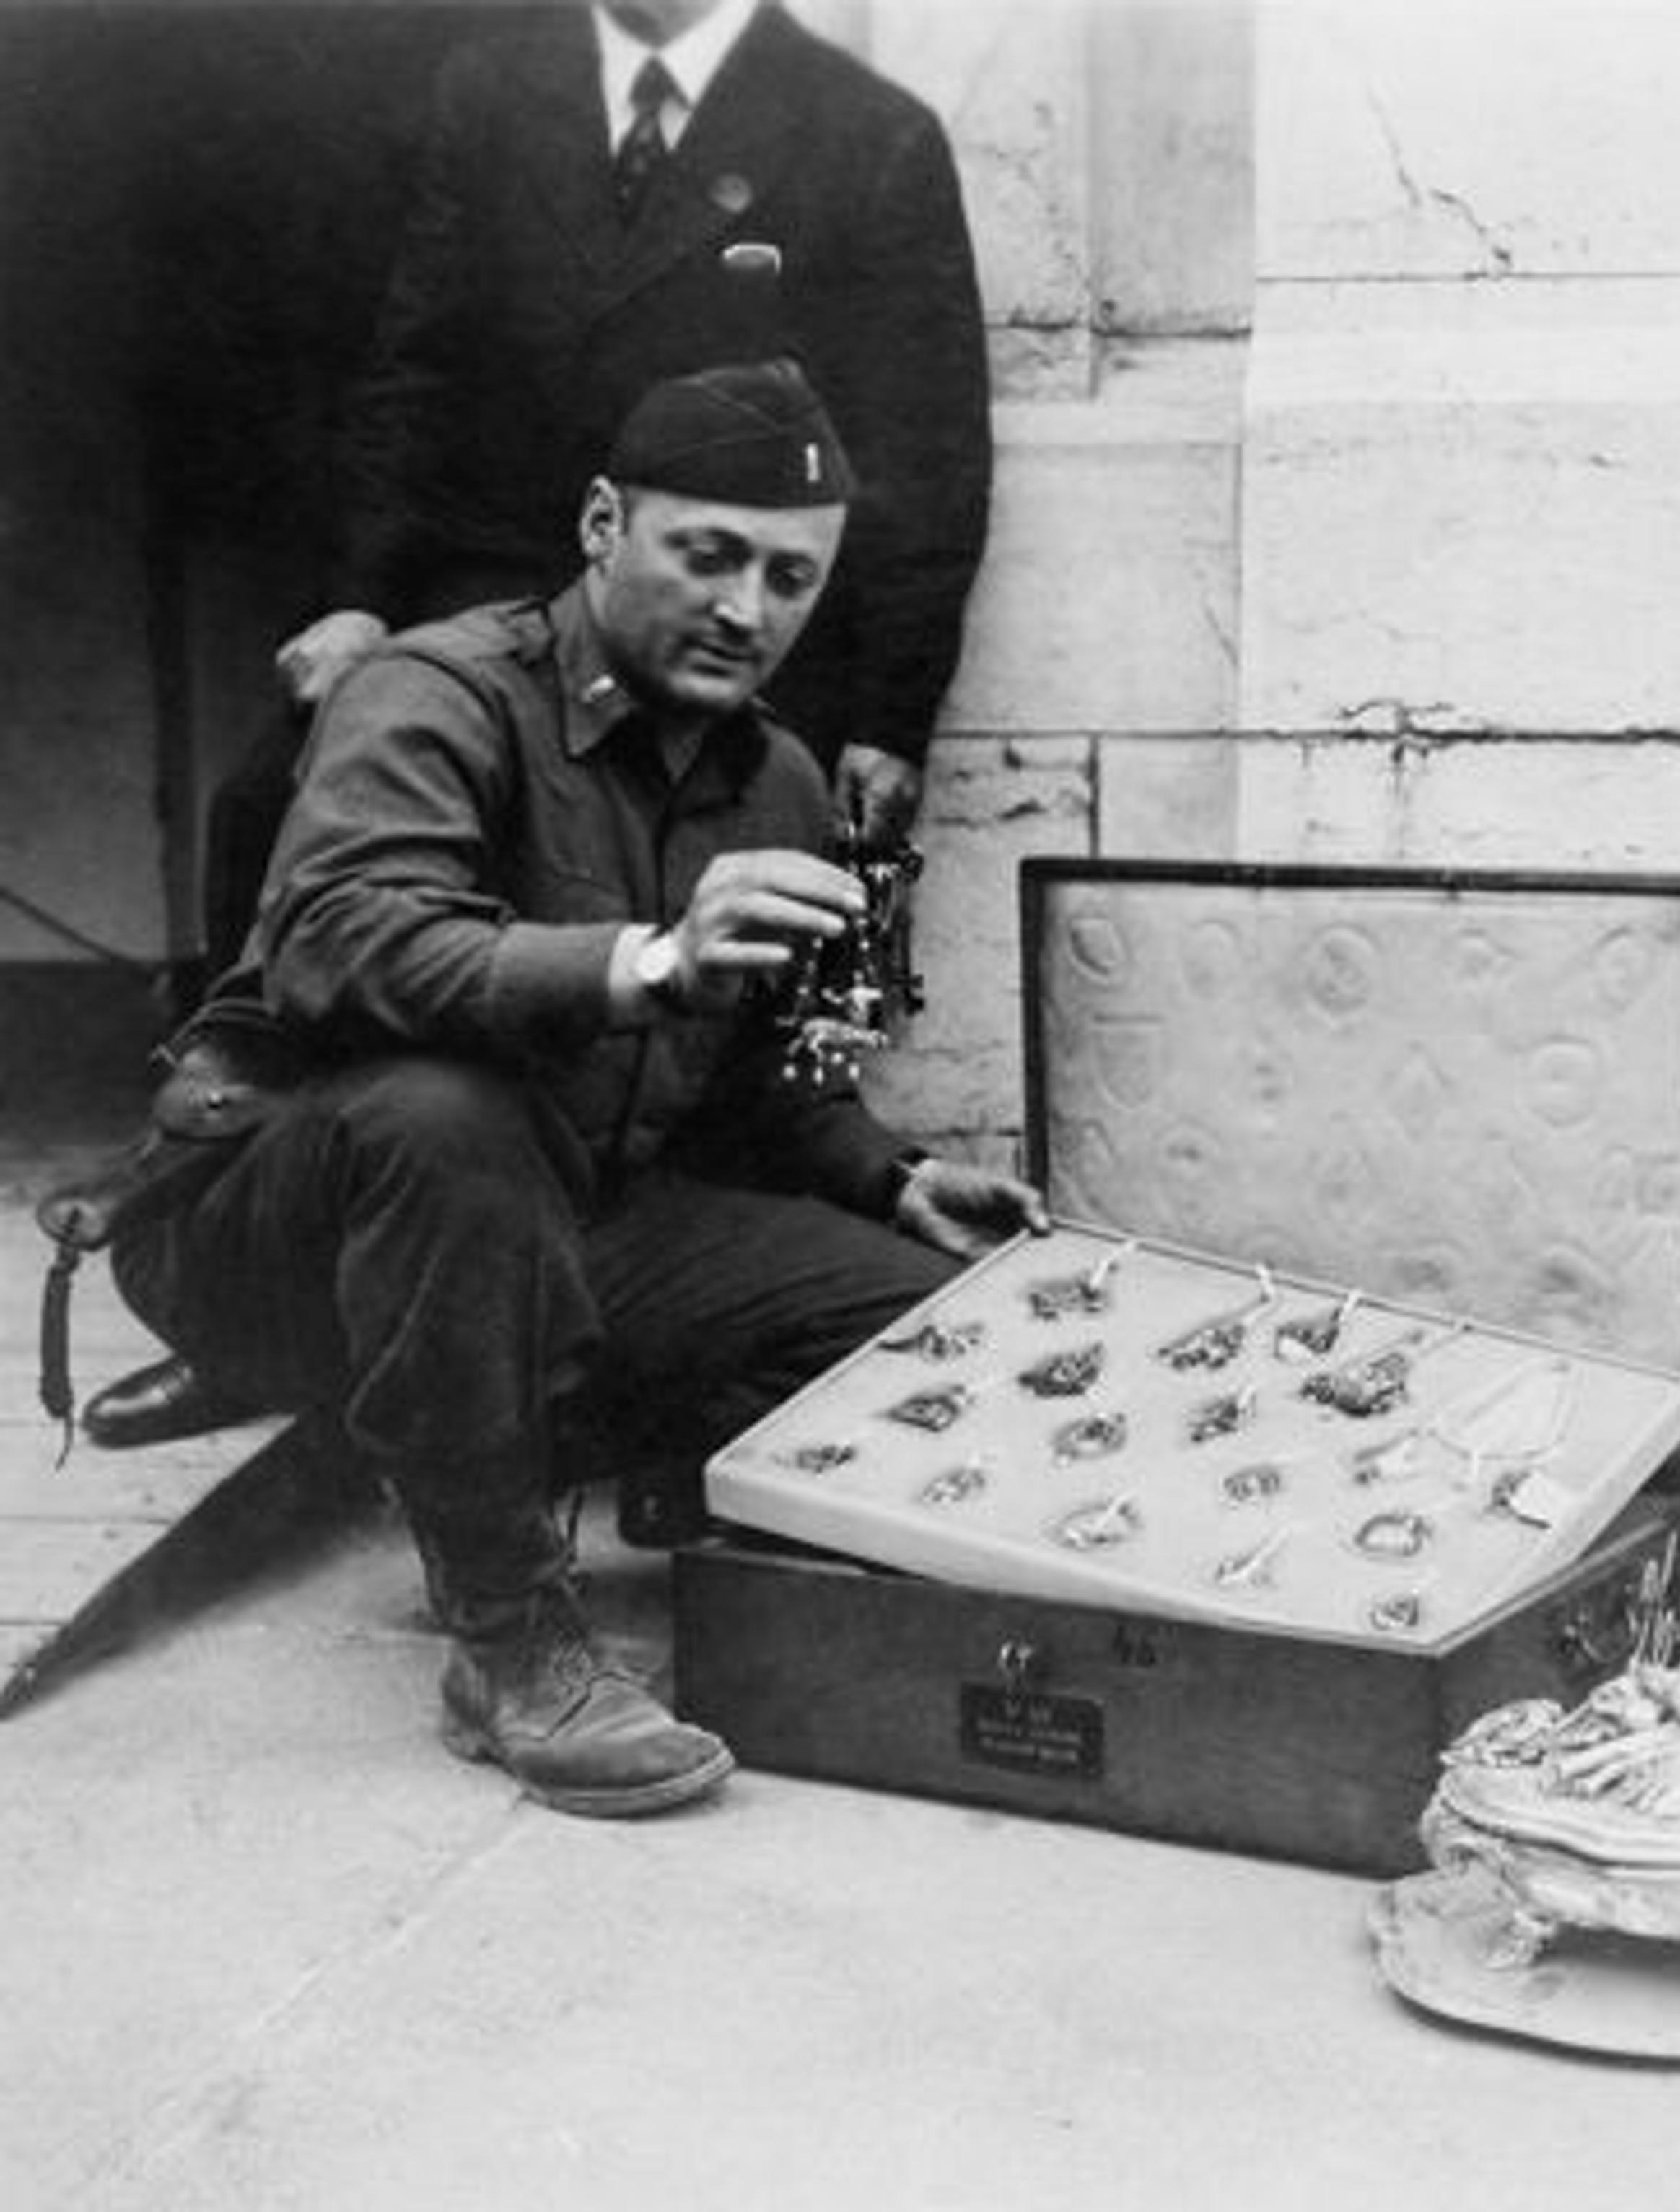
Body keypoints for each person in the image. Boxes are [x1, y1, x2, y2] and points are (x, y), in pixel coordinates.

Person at [107, 361, 1046, 1817]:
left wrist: (889, 1175)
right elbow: (344, 940)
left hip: (545, 1225)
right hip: (266, 1231)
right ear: (604, 523)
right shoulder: (435, 691)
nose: (751, 608)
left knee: (916, 1318)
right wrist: (648, 957)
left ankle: (599, 1462)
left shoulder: (779, 775)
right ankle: (506, 1637)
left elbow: (749, 1096)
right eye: (711, 553)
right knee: (445, 1115)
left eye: (793, 576)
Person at [94, 0, 991, 1450]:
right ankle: (265, 1303)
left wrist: (892, 710)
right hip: (514, 587)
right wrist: (361, 602)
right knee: (280, 814)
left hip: (734, 643)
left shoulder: (864, 131)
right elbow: (417, 365)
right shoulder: (496, 86)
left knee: (808, 960)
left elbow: (931, 447)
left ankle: (619, 1324)